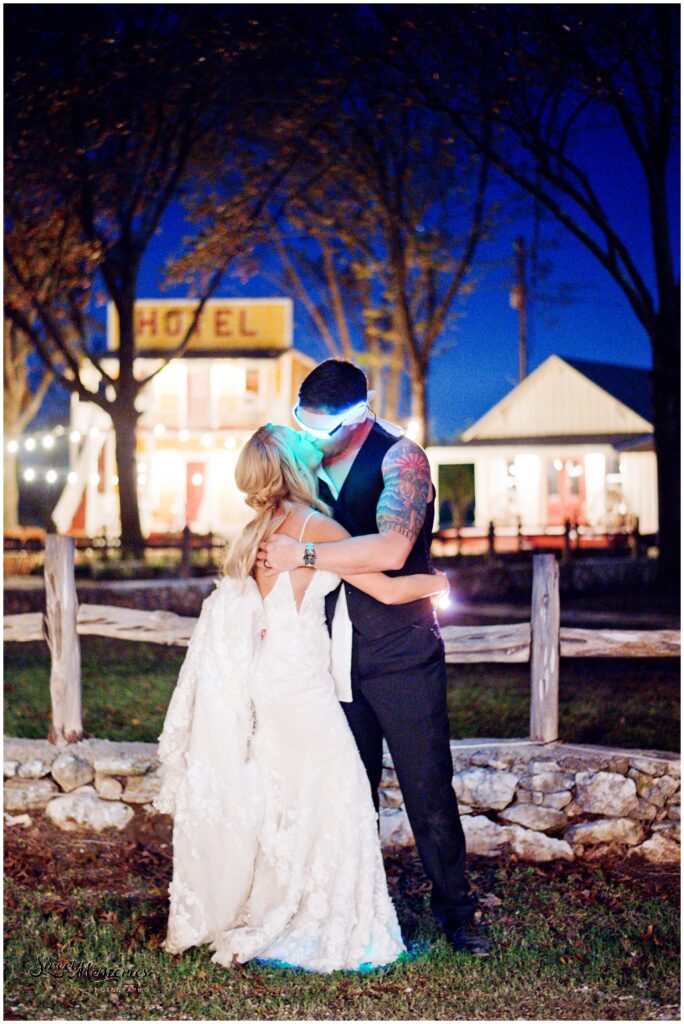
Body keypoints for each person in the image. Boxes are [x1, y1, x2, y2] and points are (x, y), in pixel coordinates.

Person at [153, 422, 450, 974]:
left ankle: (280, 900)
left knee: (289, 796)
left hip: (267, 684)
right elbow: (386, 585)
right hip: (306, 689)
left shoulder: (251, 537)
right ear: (296, 468)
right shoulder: (322, 531)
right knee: (337, 796)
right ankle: (324, 916)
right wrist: (442, 585)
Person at [258, 360, 490, 957]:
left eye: (323, 427)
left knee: (426, 785)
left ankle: (457, 913)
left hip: (401, 647)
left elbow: (392, 549)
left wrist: (303, 555)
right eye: (302, 425)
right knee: (346, 787)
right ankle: (356, 907)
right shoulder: (303, 459)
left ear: (357, 414)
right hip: (325, 649)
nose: (312, 438)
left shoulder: (400, 458)